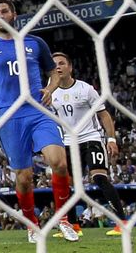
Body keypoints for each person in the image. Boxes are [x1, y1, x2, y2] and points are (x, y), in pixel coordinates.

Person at [0, 0, 78, 243]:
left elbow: (54, 74)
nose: (0, 15)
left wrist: (49, 89)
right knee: (24, 177)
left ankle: (64, 220)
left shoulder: (35, 43)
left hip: (38, 112)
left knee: (58, 162)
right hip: (9, 117)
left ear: (14, 14)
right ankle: (32, 224)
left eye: (4, 11)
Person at [47, 52, 128, 236]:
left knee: (99, 177)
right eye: (54, 65)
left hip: (90, 138)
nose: (58, 67)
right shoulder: (50, 92)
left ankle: (122, 222)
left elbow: (104, 114)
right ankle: (74, 226)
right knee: (66, 184)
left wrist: (111, 139)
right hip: (67, 143)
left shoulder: (86, 89)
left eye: (61, 63)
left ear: (70, 67)